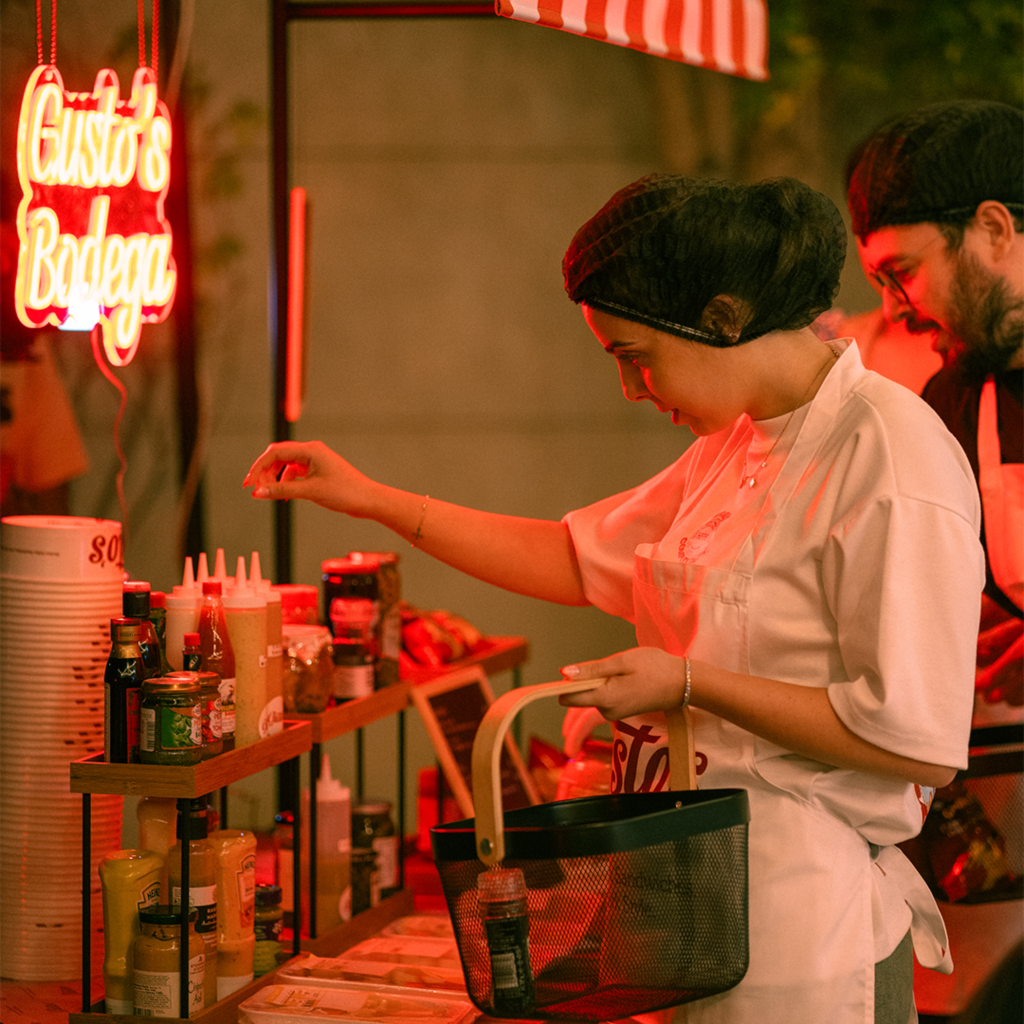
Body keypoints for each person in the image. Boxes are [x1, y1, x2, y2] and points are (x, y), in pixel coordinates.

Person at [245, 174, 984, 1023]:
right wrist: (377, 499)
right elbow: (573, 554)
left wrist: (685, 686)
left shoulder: (892, 454)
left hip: (801, 926)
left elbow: (916, 739)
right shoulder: (736, 442)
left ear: (720, 318)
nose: (632, 391)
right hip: (675, 904)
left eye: (635, 358)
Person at [846, 100, 1023, 714]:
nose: (895, 309)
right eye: (880, 284)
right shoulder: (954, 403)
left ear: (994, 229)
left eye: (904, 272)